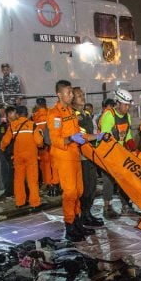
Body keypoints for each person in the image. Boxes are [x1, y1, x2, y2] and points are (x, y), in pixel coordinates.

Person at [47, 80, 102, 241]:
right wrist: (70, 138)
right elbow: (55, 140)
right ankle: (69, 225)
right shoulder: (55, 114)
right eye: (68, 92)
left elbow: (80, 134)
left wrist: (96, 136)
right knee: (70, 193)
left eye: (72, 92)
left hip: (74, 156)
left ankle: (78, 223)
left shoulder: (70, 112)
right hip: (63, 157)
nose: (71, 95)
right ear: (59, 94)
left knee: (78, 192)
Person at [100, 89, 141, 218]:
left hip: (120, 153)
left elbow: (127, 135)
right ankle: (107, 208)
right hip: (108, 153)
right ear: (117, 103)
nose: (127, 108)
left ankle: (126, 205)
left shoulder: (127, 116)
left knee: (125, 179)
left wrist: (133, 147)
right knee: (108, 181)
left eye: (129, 105)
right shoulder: (109, 116)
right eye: (125, 105)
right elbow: (106, 137)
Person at [0, 105, 43, 210]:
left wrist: (2, 148)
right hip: (31, 157)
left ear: (17, 115)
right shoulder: (32, 125)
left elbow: (5, 141)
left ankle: (20, 202)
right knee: (32, 180)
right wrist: (40, 146)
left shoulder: (13, 125)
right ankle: (35, 203)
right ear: (27, 114)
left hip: (18, 156)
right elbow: (39, 142)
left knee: (18, 180)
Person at [72, 88, 102, 227]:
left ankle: (88, 213)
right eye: (79, 96)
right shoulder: (73, 115)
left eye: (82, 95)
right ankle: (82, 216)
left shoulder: (86, 114)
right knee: (84, 188)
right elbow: (81, 135)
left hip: (90, 154)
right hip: (81, 156)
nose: (82, 97)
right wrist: (96, 136)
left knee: (92, 186)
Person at [0, 105, 15, 198]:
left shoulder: (16, 124)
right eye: (13, 113)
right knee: (7, 170)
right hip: (7, 152)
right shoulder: (3, 126)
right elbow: (2, 139)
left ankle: (14, 189)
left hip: (15, 152)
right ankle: (8, 189)